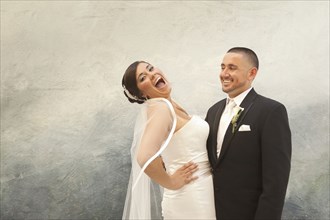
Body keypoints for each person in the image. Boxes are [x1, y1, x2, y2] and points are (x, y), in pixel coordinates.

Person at [121, 61, 216, 220]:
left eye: (150, 68)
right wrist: (170, 182)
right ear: (141, 94)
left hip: (200, 191)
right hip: (191, 197)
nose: (151, 74)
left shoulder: (169, 104)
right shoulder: (160, 108)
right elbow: (144, 157)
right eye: (143, 78)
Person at [205, 47, 292, 220]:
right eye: (222, 67)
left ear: (252, 73)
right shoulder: (213, 111)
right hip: (210, 212)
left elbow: (276, 181)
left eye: (232, 68)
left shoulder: (271, 111)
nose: (224, 73)